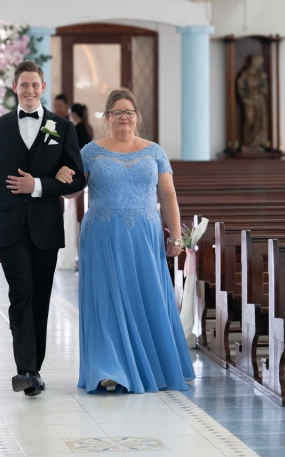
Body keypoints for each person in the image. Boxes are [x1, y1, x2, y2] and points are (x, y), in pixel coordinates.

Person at [75, 88, 195, 393]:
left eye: (129, 112)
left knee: (146, 296)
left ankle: (153, 365)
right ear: (107, 118)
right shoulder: (90, 152)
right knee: (107, 299)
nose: (124, 118)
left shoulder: (154, 151)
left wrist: (177, 237)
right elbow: (72, 192)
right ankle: (109, 367)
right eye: (117, 113)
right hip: (103, 234)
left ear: (137, 117)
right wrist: (59, 176)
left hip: (144, 235)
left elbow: (167, 194)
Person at [0, 61, 86, 397]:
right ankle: (25, 368)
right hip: (9, 227)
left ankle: (34, 367)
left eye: (34, 85)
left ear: (42, 87)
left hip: (45, 227)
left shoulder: (62, 127)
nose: (29, 91)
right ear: (15, 88)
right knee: (20, 294)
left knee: (40, 297)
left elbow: (79, 177)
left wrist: (39, 186)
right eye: (23, 85)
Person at [236, 55, 269, 150]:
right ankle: (247, 143)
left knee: (260, 121)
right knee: (249, 120)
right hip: (249, 100)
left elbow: (265, 90)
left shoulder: (260, 75)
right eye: (257, 62)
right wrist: (244, 98)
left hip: (259, 100)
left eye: (260, 63)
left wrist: (263, 80)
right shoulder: (245, 74)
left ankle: (258, 144)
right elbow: (240, 87)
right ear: (253, 61)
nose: (259, 64)